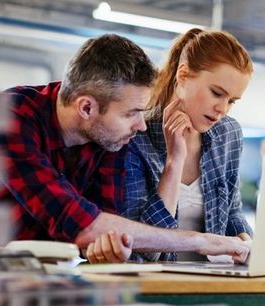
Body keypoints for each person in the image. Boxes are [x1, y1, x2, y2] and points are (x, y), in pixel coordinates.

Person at [0, 34, 250, 264]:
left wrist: (110, 247)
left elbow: (106, 229)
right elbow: (84, 225)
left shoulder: (108, 138)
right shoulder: (10, 117)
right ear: (86, 108)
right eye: (131, 113)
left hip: (46, 275)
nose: (141, 125)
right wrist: (202, 241)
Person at [88, 28, 255, 262]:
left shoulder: (228, 133)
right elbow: (142, 249)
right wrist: (174, 163)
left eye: (232, 101)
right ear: (183, 77)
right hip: (152, 284)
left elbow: (232, 212)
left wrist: (248, 245)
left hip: (213, 281)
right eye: (217, 93)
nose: (223, 109)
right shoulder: (133, 136)